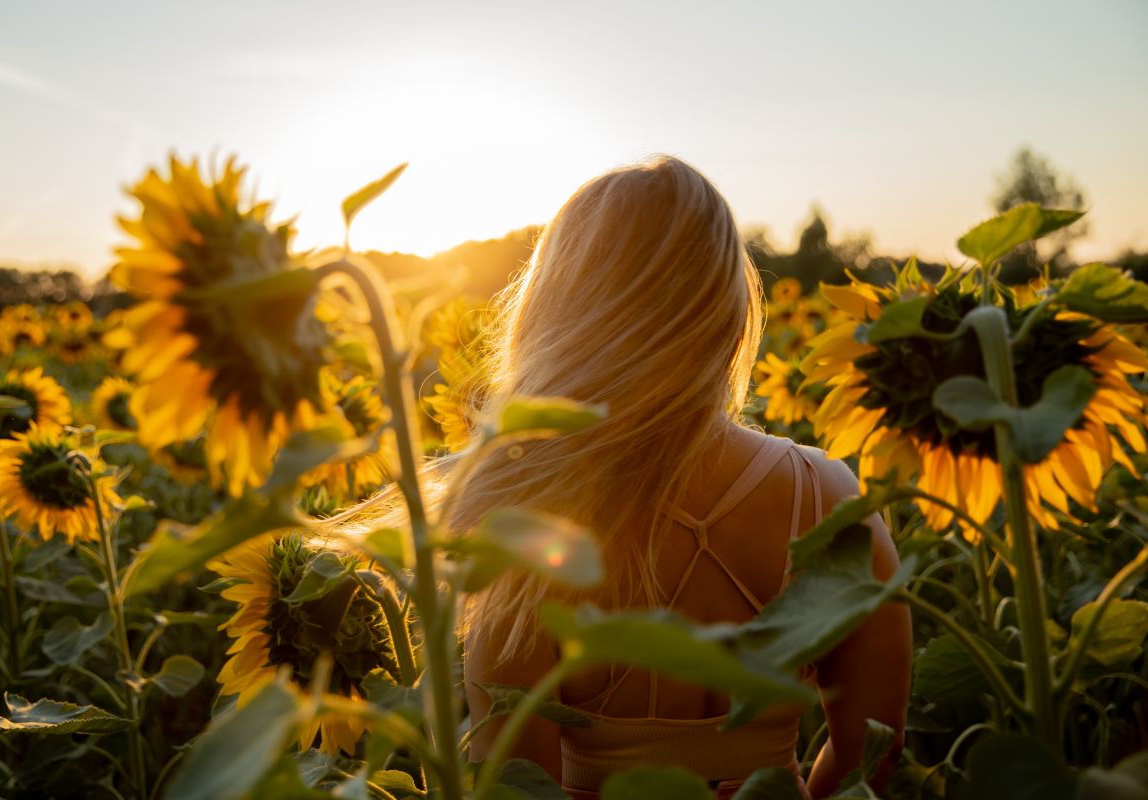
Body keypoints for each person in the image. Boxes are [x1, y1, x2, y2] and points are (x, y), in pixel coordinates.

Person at [357, 155, 911, 798]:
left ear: (556, 316)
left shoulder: (525, 523)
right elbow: (874, 758)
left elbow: (516, 782)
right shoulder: (829, 501)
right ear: (729, 310)